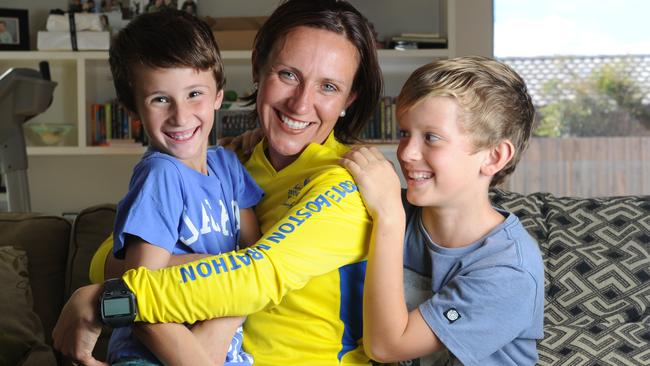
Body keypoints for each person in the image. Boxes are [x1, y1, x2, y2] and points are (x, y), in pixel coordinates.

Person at [52, 0, 383, 365]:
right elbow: (115, 252)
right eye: (288, 74)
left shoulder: (347, 183)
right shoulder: (231, 163)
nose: (301, 104)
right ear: (258, 66)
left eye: (329, 87)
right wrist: (112, 284)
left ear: (349, 98)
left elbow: (256, 274)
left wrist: (104, 301)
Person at [340, 56, 544, 365]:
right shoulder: (393, 207)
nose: (406, 153)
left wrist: (390, 218)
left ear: (494, 156)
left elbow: (385, 347)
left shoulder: (509, 271)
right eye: (404, 132)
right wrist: (251, 152)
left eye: (431, 138)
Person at [101, 9, 264, 366]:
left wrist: (235, 280)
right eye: (160, 99)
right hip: (150, 353)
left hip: (225, 349)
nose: (180, 115)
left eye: (194, 93)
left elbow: (257, 258)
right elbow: (145, 286)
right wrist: (219, 267)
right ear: (133, 110)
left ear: (219, 95)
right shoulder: (160, 175)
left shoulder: (228, 166)